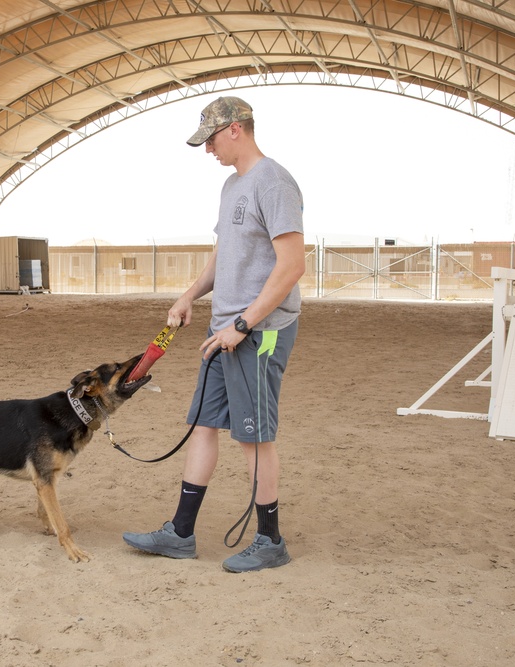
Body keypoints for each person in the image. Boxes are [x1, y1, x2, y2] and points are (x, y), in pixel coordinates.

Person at [123, 96, 305, 573]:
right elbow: (222, 257)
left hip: (259, 332)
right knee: (203, 425)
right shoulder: (231, 186)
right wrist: (189, 296)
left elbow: (292, 266)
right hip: (222, 329)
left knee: (255, 437)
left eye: (211, 141)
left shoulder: (276, 182)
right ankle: (181, 533)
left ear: (235, 130)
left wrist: (243, 326)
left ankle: (270, 541)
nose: (208, 152)